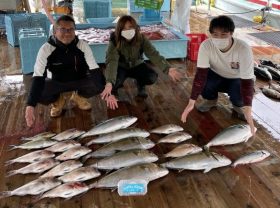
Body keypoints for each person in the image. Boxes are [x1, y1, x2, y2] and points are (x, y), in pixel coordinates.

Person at [25, 15, 105, 127]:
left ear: (74, 31)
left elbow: (94, 69)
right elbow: (38, 76)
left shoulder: (83, 45)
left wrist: (106, 92)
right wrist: (30, 105)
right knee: (37, 91)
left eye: (71, 29)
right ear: (54, 32)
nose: (67, 33)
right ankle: (58, 100)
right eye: (62, 29)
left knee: (100, 82)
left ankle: (79, 97)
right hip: (57, 82)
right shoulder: (46, 49)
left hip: (79, 80)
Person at [181, 15, 256, 136]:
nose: (219, 38)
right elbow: (200, 75)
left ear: (231, 33)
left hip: (237, 78)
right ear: (210, 34)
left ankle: (238, 107)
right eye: (215, 35)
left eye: (224, 34)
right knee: (204, 82)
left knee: (240, 93)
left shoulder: (243, 48)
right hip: (216, 74)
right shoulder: (206, 46)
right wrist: (191, 102)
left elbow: (247, 81)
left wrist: (248, 109)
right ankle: (211, 100)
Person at [101, 15, 183, 109]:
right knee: (112, 82)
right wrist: (109, 83)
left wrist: (168, 68)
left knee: (151, 77)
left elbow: (153, 54)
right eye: (124, 28)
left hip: (137, 65)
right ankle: (113, 91)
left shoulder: (141, 39)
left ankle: (141, 84)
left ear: (135, 28)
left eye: (130, 27)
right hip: (121, 67)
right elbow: (112, 62)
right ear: (119, 30)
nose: (127, 31)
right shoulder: (114, 41)